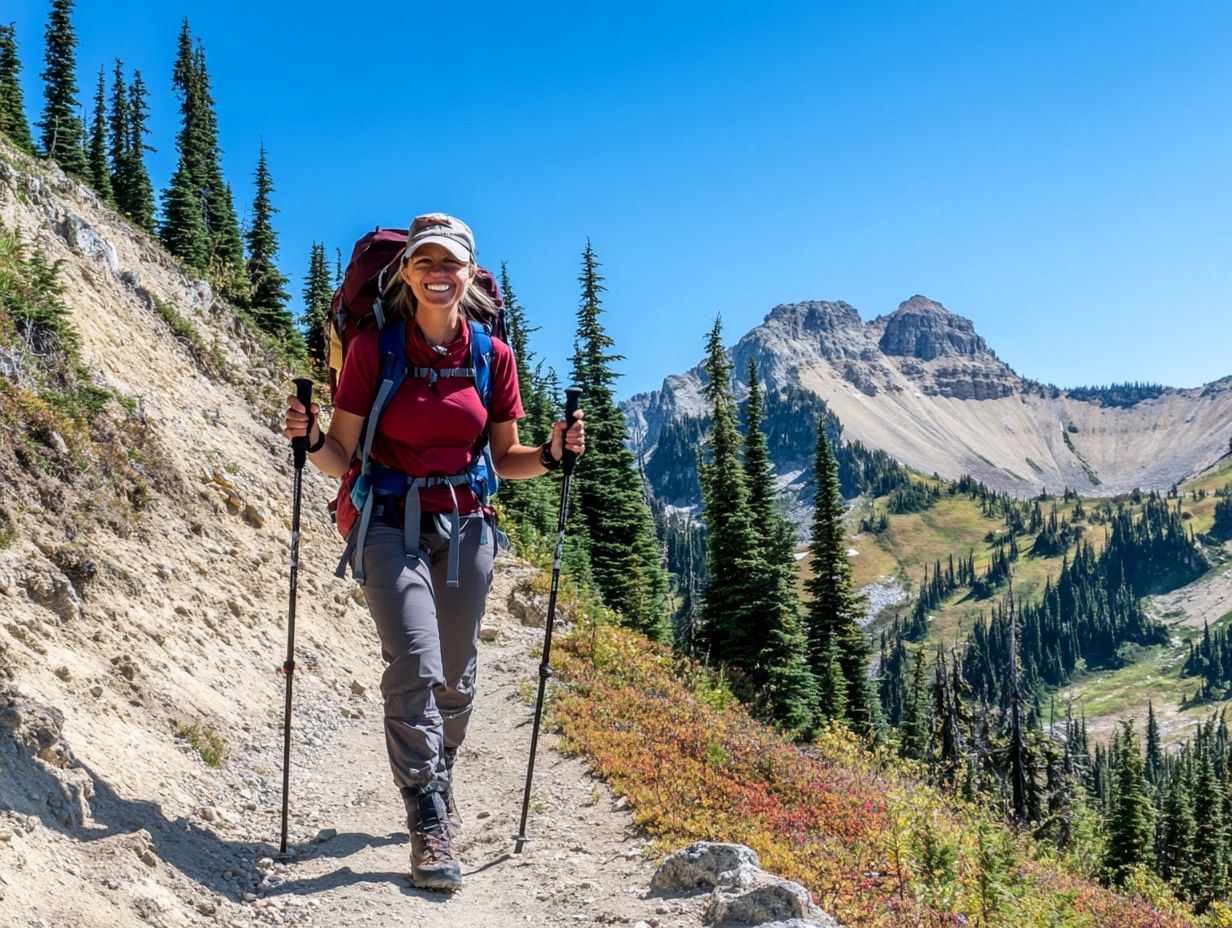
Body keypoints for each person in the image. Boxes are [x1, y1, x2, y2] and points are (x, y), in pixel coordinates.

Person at [283, 213, 584, 891]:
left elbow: (508, 459)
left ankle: (440, 769)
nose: (438, 275)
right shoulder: (375, 351)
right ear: (407, 273)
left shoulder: (490, 357)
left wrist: (554, 453)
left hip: (468, 524)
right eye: (426, 263)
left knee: (457, 673)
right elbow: (342, 455)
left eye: (450, 264)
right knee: (414, 663)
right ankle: (426, 818)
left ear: (470, 274)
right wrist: (308, 440)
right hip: (388, 521)